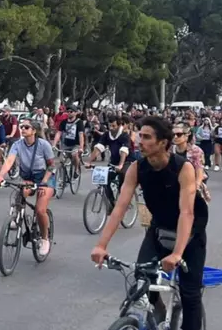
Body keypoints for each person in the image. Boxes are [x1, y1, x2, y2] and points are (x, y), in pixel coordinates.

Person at [90, 116, 208, 330]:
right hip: (159, 229)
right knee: (142, 281)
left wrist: (177, 253)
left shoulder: (183, 168)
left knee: (190, 294)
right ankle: (159, 314)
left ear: (163, 142)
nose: (139, 140)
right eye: (139, 135)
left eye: (146, 137)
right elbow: (119, 209)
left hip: (190, 233)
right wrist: (101, 245)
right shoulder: (137, 168)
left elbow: (187, 213)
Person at [0, 119, 55, 256]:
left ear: (34, 131)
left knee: (40, 210)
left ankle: (45, 239)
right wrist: (0, 176)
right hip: (28, 177)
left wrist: (44, 182)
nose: (22, 129)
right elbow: (9, 161)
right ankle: (17, 216)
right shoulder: (17, 144)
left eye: (26, 127)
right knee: (21, 193)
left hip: (45, 177)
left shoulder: (44, 145)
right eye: (21, 127)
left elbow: (51, 165)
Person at [84, 115, 131, 207]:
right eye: (110, 126)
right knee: (104, 180)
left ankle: (124, 200)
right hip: (113, 162)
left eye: (114, 126)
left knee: (123, 178)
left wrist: (121, 165)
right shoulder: (106, 135)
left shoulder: (124, 135)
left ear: (119, 125)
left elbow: (124, 150)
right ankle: (112, 203)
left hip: (126, 161)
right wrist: (89, 161)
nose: (111, 128)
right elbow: (98, 148)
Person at [52, 104, 85, 179]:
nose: (69, 113)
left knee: (74, 155)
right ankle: (62, 178)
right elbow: (58, 133)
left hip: (75, 145)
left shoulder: (79, 122)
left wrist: (81, 148)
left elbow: (81, 136)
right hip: (65, 144)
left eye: (71, 111)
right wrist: (54, 144)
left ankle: (76, 170)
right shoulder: (63, 122)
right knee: (61, 160)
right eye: (68, 111)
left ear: (75, 113)